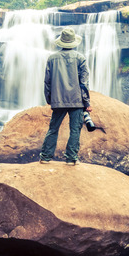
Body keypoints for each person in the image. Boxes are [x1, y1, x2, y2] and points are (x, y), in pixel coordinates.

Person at [39, 27, 92, 166]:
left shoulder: (52, 58)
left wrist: (50, 99)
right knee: (75, 129)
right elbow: (84, 83)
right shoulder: (80, 58)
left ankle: (45, 157)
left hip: (58, 100)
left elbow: (47, 82)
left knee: (53, 129)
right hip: (77, 101)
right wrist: (87, 103)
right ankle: (71, 158)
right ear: (74, 42)